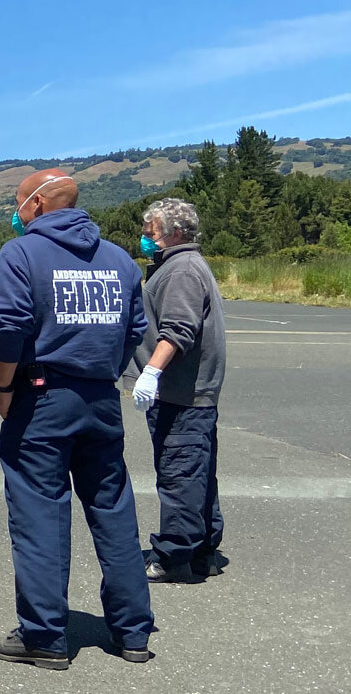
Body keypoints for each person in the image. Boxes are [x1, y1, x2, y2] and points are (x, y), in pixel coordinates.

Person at [0, 169, 154, 669]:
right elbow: (133, 331)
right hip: (100, 398)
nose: (17, 215)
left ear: (36, 205)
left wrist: (4, 386)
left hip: (42, 396)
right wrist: (102, 373)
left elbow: (8, 326)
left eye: (18, 205)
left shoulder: (21, 254)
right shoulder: (119, 259)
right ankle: (133, 631)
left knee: (40, 514)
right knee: (113, 509)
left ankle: (44, 635)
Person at [132, 197, 227, 584]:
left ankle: (174, 556)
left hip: (181, 392)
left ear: (172, 232)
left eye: (150, 230)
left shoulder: (181, 271)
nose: (144, 236)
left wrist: (151, 372)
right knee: (198, 470)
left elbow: (178, 330)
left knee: (180, 472)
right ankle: (203, 549)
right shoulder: (179, 265)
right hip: (190, 391)